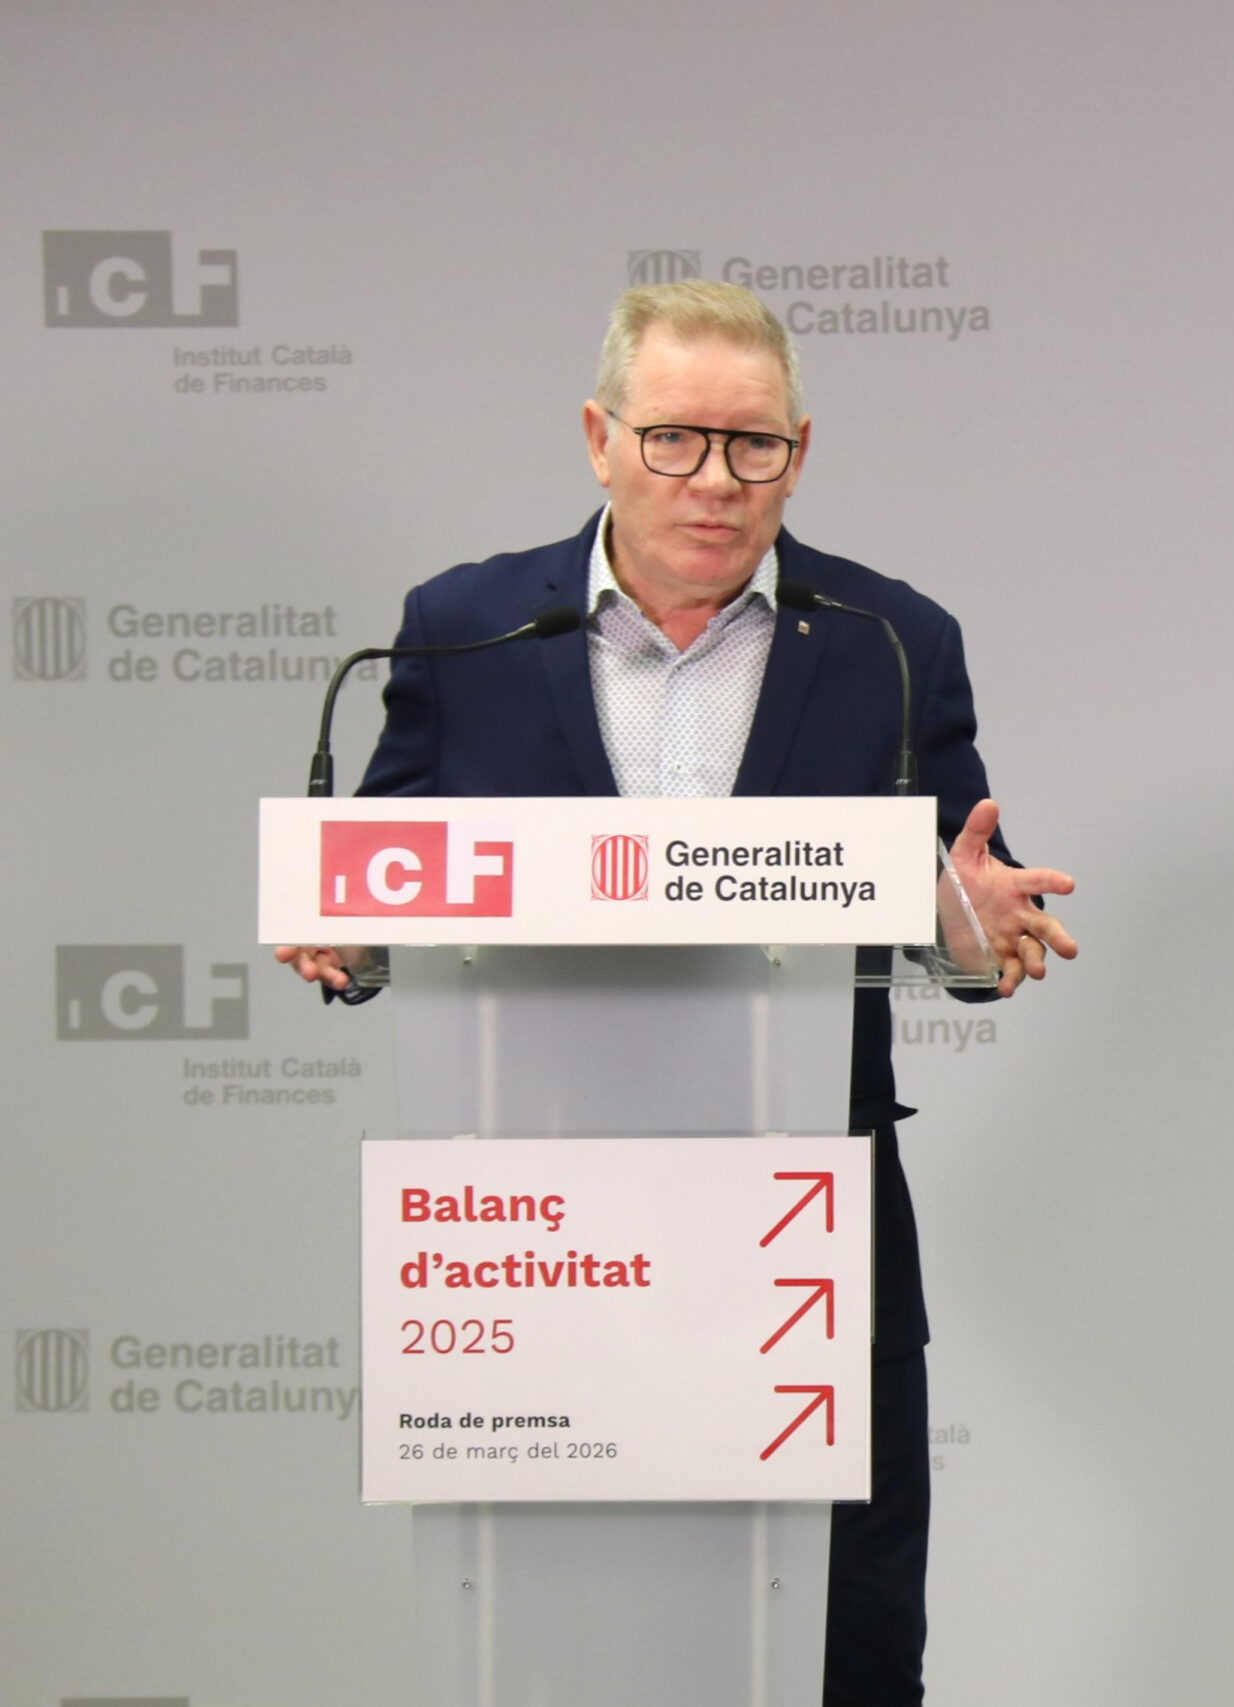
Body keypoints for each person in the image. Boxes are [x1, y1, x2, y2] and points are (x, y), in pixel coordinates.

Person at [277, 279, 1075, 1705]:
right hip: (539, 1226)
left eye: (752, 444)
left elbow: (963, 892)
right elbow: (393, 879)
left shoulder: (889, 638)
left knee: (847, 1630)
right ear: (600, 439)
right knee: (561, 1625)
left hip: (804, 1221)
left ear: (799, 454)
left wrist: (973, 927)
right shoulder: (464, 628)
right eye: (674, 440)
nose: (715, 479)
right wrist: (353, 935)